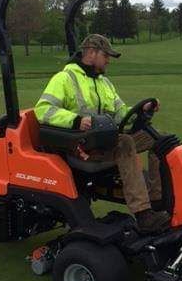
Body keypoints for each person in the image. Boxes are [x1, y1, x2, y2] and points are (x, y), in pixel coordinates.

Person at [34, 34, 170, 233]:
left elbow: (122, 113)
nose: (108, 61)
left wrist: (143, 109)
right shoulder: (64, 78)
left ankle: (157, 200)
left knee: (160, 139)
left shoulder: (104, 82)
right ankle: (143, 214)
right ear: (90, 53)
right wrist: (76, 121)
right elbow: (43, 110)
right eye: (106, 56)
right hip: (81, 146)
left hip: (106, 140)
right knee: (125, 143)